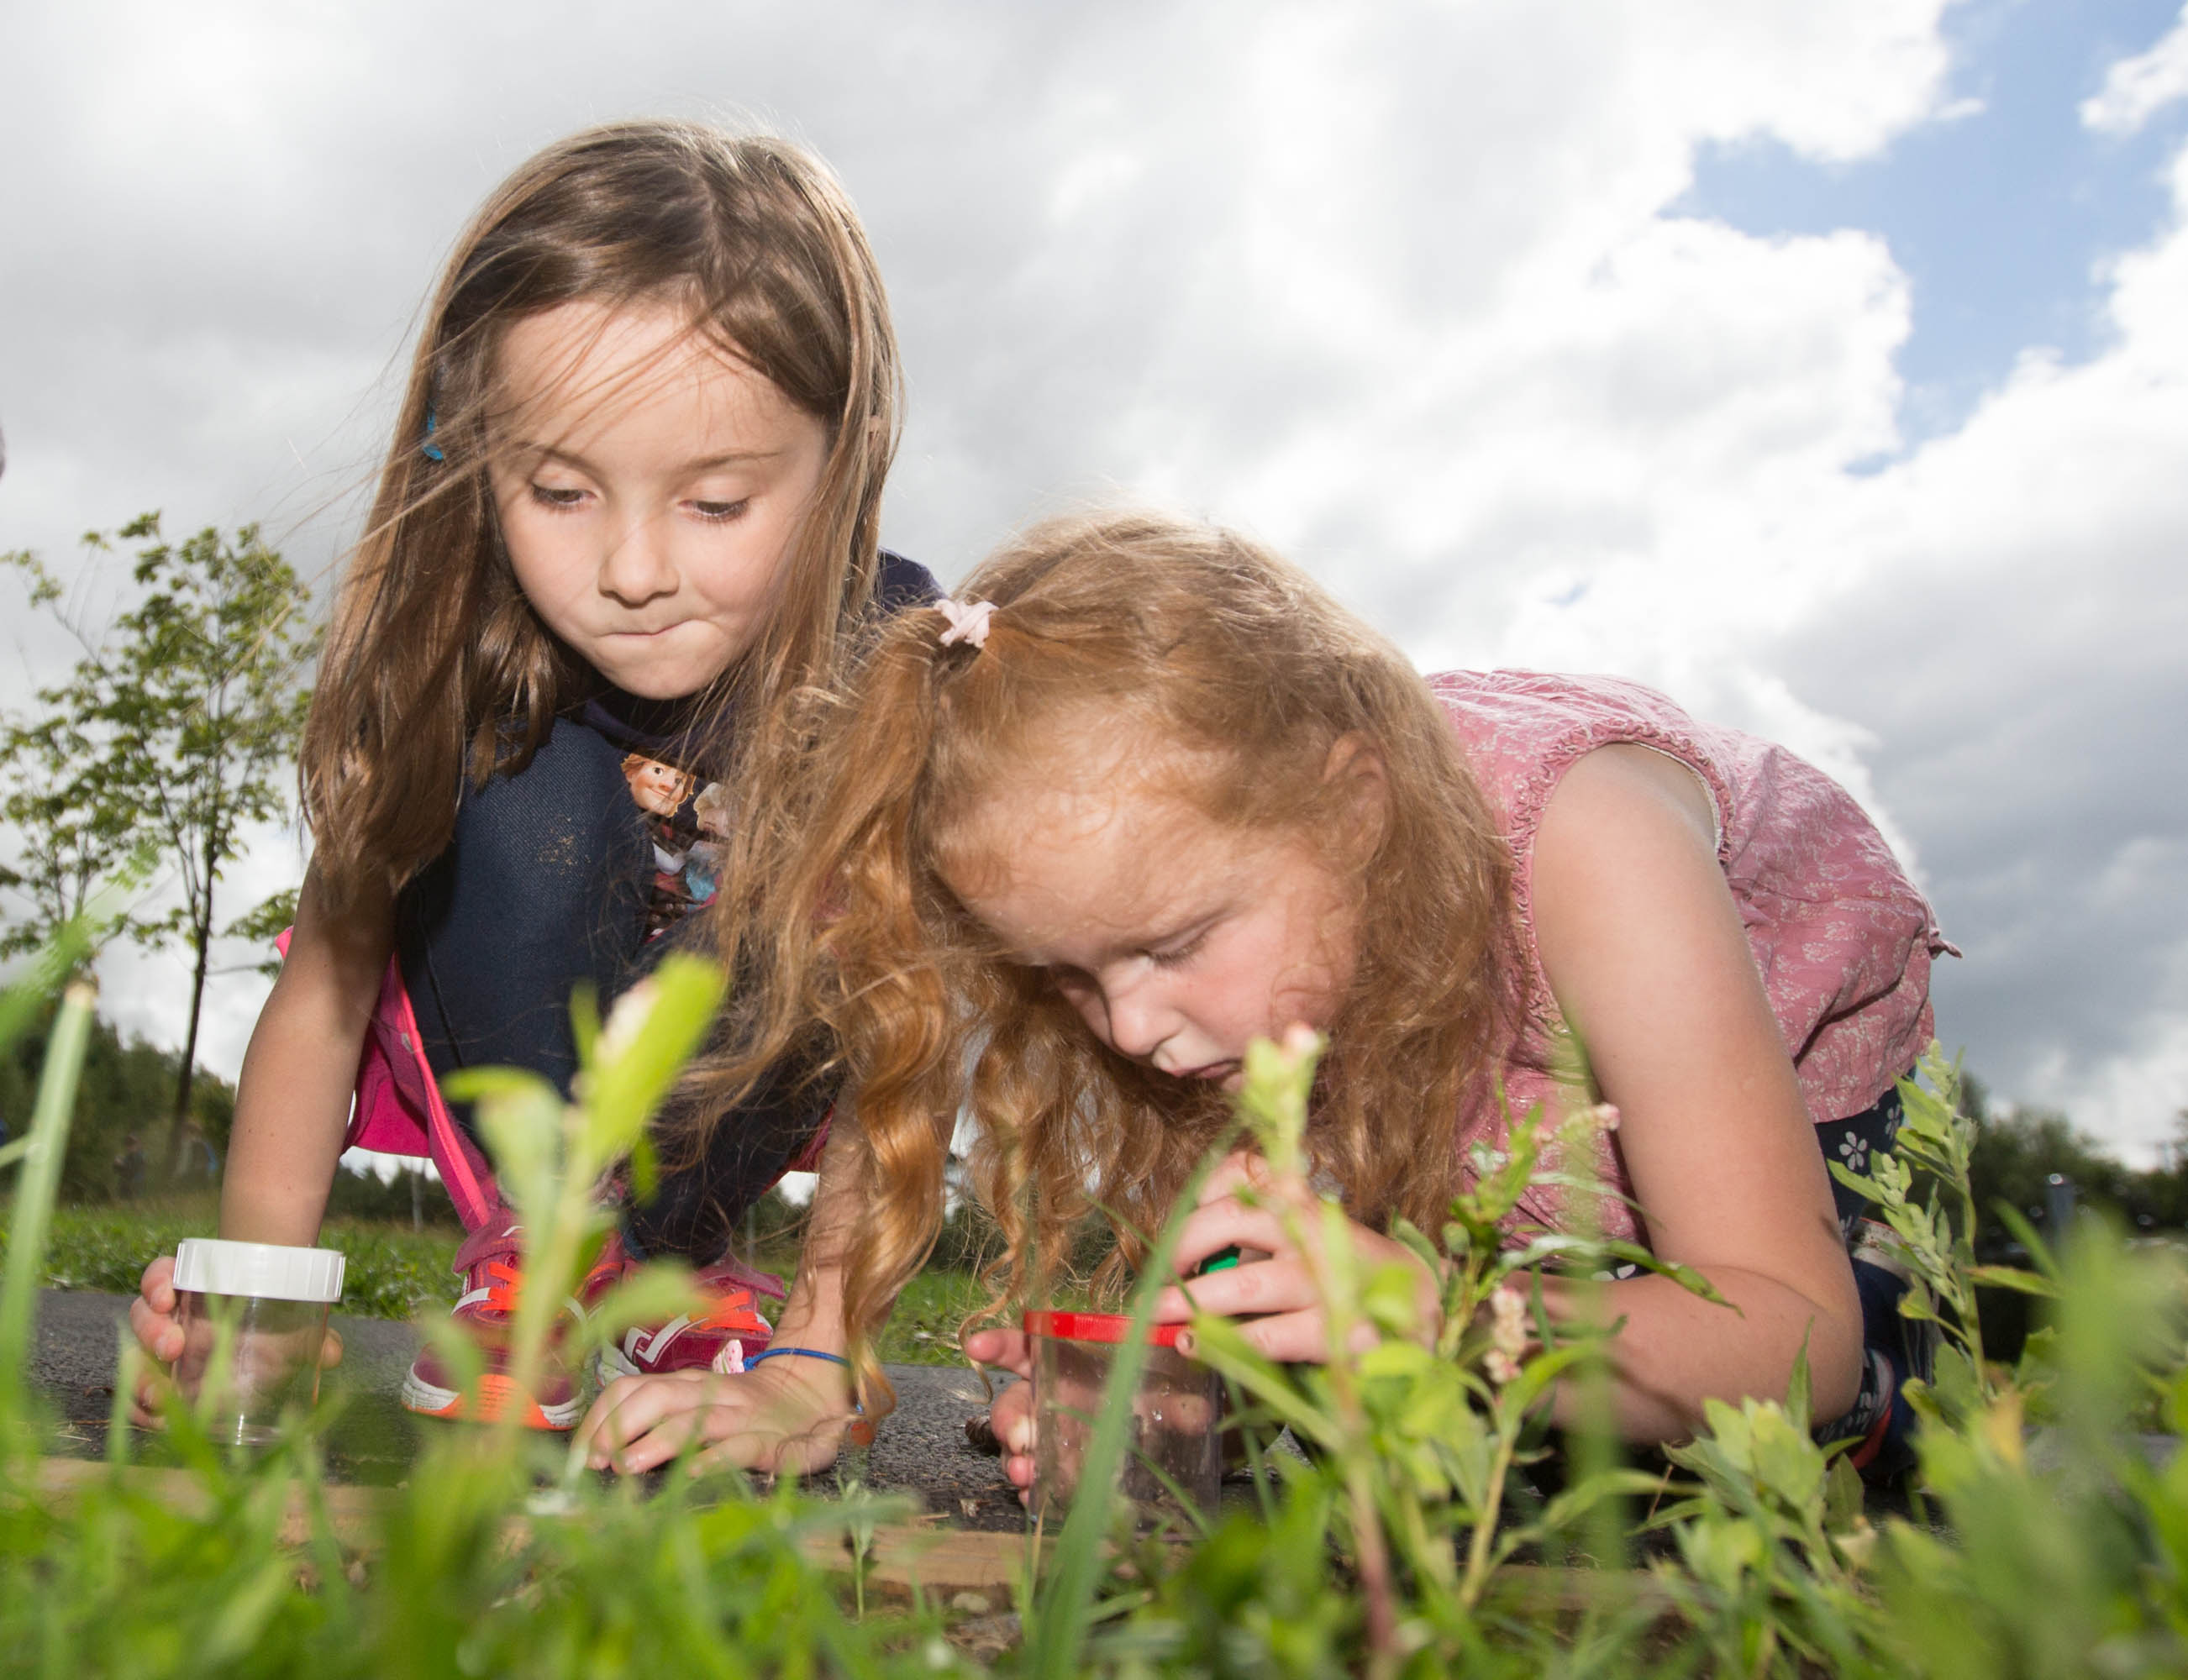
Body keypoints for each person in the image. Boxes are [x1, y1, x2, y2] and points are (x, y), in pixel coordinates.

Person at [589, 508, 1949, 1485]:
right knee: (1405, 1401)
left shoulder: (1599, 851)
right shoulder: (1235, 972)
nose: (1126, 1026)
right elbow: (913, 1072)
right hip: (1430, 1076)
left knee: (1721, 1425)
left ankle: (1892, 1405)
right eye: (1069, 976)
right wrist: (1165, 1383)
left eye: (1173, 941)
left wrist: (1452, 1324)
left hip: (1756, 1061)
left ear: (1356, 813)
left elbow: (1788, 1327)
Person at [129, 119, 935, 1439]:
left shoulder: (890, 671)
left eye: (716, 505)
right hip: (517, 1097)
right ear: (474, 448)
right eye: (559, 491)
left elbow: (909, 1036)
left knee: (852, 867)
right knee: (512, 769)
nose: (630, 569)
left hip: (725, 1111)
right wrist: (256, 1316)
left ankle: (682, 1286)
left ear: (842, 461)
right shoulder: (452, 652)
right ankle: (541, 1266)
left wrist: (817, 1366)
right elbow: (325, 990)